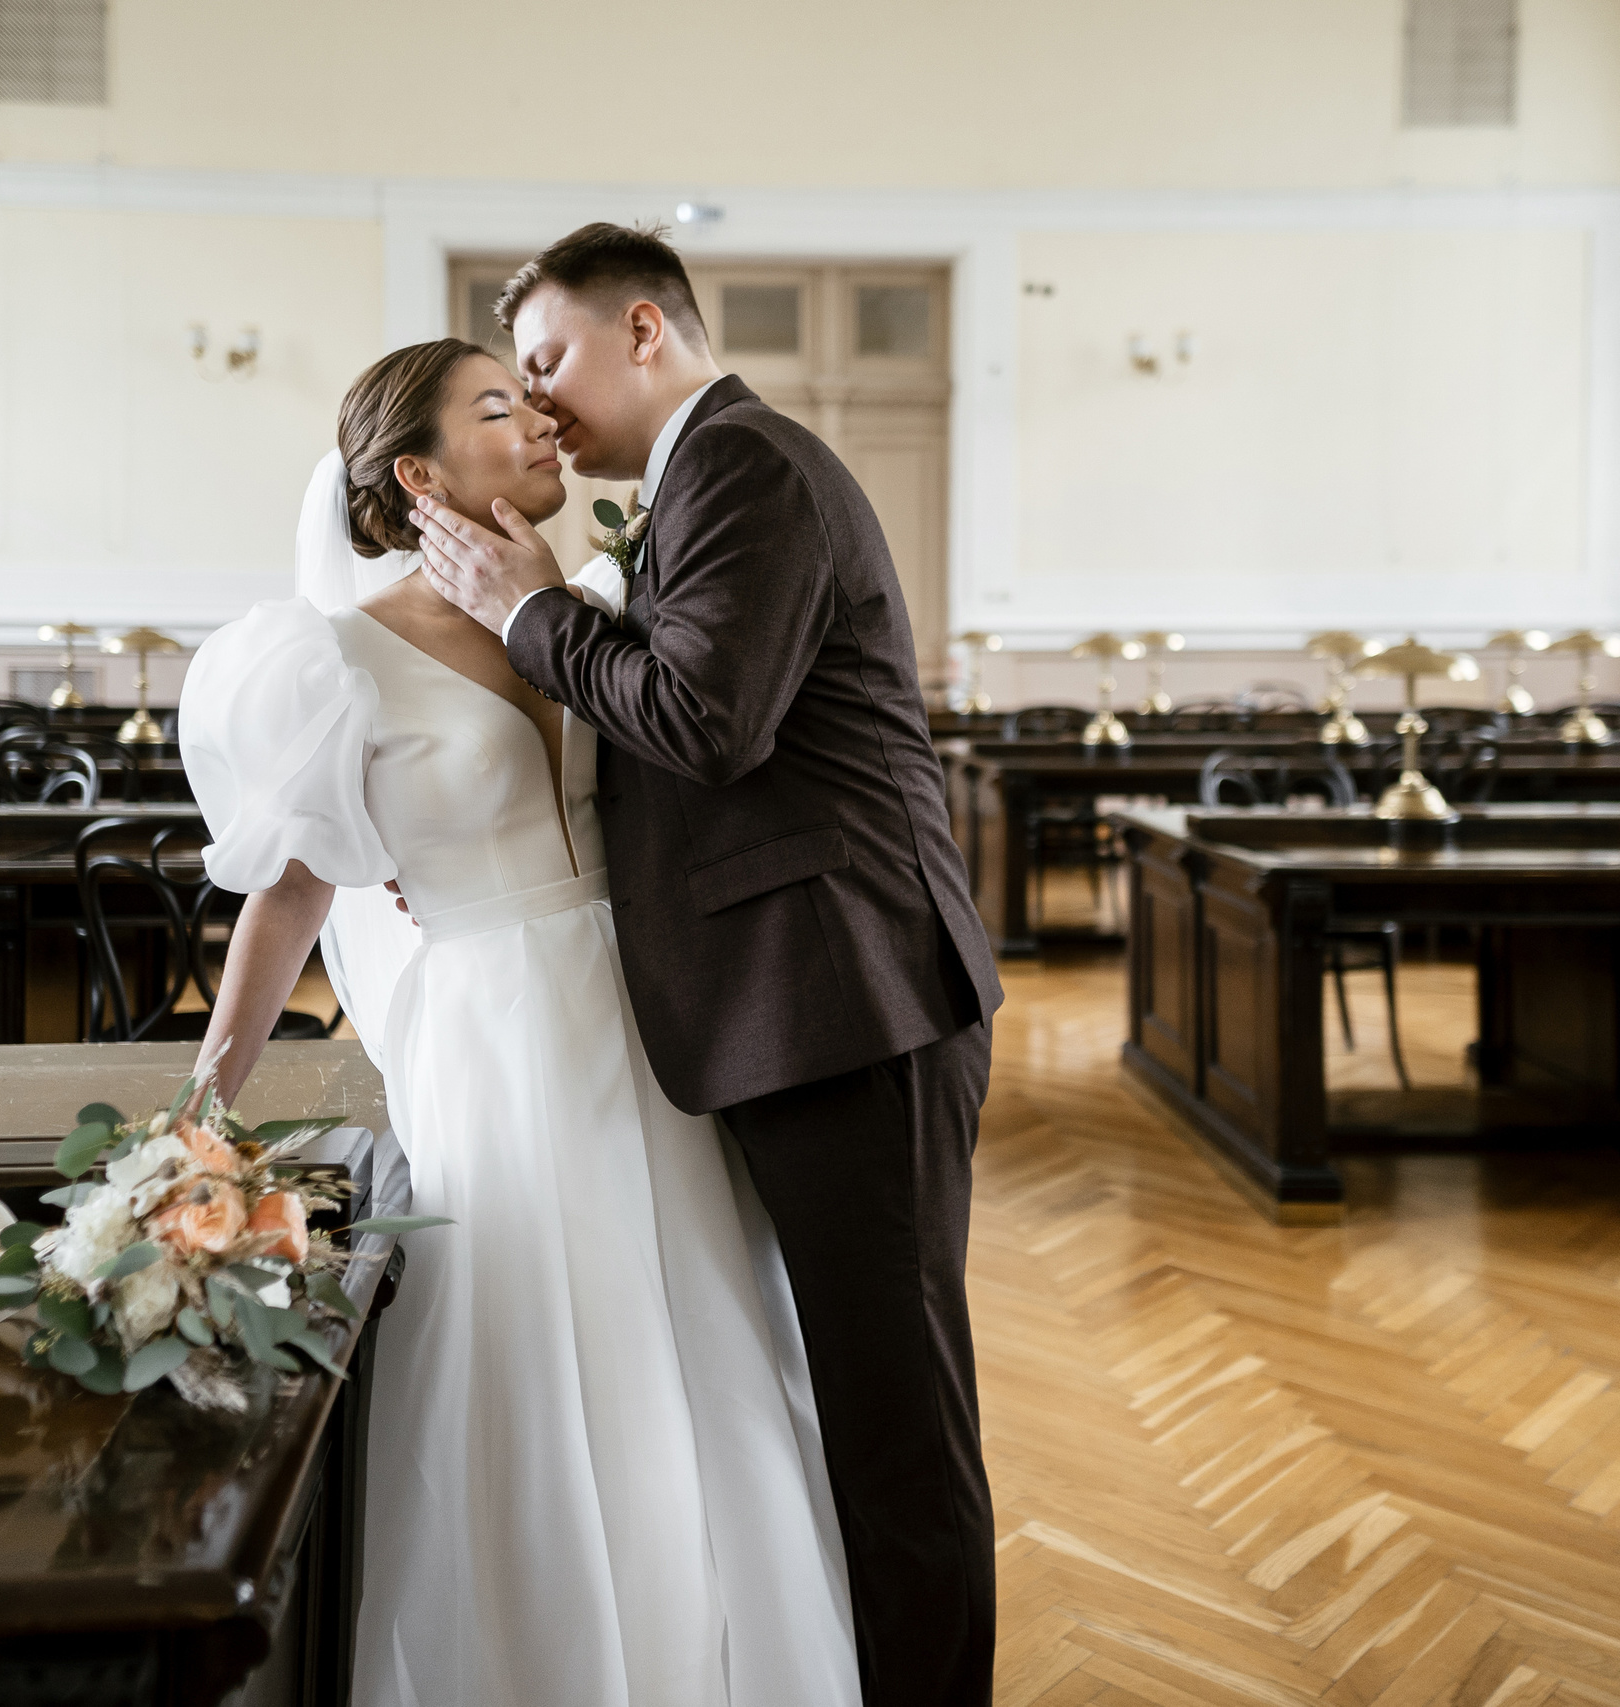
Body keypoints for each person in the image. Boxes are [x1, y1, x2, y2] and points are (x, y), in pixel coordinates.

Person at [177, 338, 862, 1706]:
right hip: (495, 1030)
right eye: (500, 406)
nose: (541, 418)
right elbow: (293, 893)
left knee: (699, 1330)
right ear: (419, 472)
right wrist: (202, 1103)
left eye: (534, 394)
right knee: (547, 1346)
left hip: (647, 1011)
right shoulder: (331, 657)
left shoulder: (596, 601)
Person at [407, 222, 1005, 1707]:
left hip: (851, 999)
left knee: (898, 1418)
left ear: (647, 333)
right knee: (858, 1403)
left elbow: (707, 721)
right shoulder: (693, 488)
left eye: (547, 360)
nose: (537, 403)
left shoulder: (746, 467)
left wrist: (524, 607)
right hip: (794, 1003)